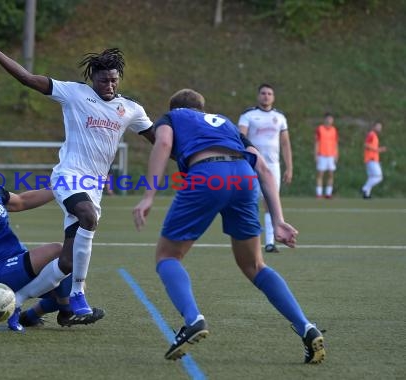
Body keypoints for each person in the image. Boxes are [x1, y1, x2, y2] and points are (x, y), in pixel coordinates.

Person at [0, 25, 155, 318]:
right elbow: (27, 79)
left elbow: (160, 139)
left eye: (114, 81)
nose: (110, 86)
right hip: (68, 176)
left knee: (66, 262)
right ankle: (78, 295)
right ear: (92, 78)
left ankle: (20, 305)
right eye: (104, 81)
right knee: (88, 217)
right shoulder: (73, 93)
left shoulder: (130, 109)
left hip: (92, 186)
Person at [133, 89, 325, 364]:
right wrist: (278, 219)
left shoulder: (173, 117)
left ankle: (192, 319)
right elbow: (263, 168)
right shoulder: (225, 122)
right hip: (244, 177)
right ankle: (306, 327)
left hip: (208, 175)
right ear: (203, 109)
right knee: (255, 266)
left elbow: (163, 144)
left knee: (167, 256)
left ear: (175, 108)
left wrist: (149, 195)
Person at [0, 148, 104, 331]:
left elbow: (22, 201)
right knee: (59, 251)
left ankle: (30, 316)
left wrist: (63, 188)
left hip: (17, 259)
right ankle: (65, 310)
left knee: (71, 282)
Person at [238, 84, 292, 253]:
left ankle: (270, 241)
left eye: (269, 93)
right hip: (251, 164)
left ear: (273, 97)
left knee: (270, 201)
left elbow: (285, 143)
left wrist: (289, 167)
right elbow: (240, 137)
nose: (266, 96)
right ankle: (248, 240)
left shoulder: (280, 117)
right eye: (263, 93)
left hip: (273, 166)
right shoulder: (248, 115)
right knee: (250, 200)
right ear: (258, 96)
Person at [315, 113, 339, 198]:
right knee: (320, 174)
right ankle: (319, 193)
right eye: (328, 119)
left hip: (331, 155)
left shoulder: (334, 130)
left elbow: (335, 143)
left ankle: (328, 193)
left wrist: (336, 154)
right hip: (322, 155)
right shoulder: (320, 129)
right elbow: (317, 143)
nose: (329, 120)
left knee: (331, 174)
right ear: (325, 119)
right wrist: (316, 155)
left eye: (331, 119)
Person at [361, 122, 387, 199]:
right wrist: (378, 149)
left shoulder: (374, 136)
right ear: (373, 127)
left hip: (372, 159)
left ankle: (366, 194)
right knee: (379, 177)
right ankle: (364, 188)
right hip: (371, 159)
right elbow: (366, 145)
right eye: (378, 126)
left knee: (371, 177)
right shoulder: (371, 134)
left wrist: (377, 150)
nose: (379, 128)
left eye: (380, 127)